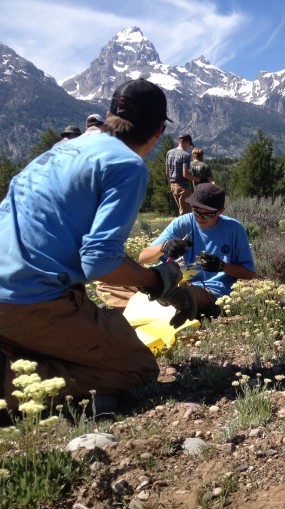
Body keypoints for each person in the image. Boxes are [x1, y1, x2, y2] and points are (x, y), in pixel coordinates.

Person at [0, 78, 195, 413]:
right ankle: (11, 386)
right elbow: (99, 262)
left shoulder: (61, 149)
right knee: (137, 368)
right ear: (158, 131)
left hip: (15, 290)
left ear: (108, 115)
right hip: (26, 298)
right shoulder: (127, 165)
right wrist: (158, 281)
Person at [138, 183, 256, 318]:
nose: (200, 218)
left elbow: (249, 273)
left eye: (207, 215)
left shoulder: (234, 229)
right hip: (178, 281)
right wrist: (164, 246)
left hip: (212, 290)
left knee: (186, 293)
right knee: (139, 276)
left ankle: (166, 296)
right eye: (196, 212)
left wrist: (222, 266)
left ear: (220, 211)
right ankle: (165, 295)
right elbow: (143, 257)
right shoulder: (182, 223)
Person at [166, 133, 197, 215]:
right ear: (186, 142)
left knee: (181, 210)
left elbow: (167, 172)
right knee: (187, 214)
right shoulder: (186, 155)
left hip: (173, 186)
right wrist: (198, 179)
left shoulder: (169, 153)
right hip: (183, 187)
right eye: (189, 145)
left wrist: (171, 183)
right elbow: (185, 174)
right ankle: (186, 228)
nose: (188, 147)